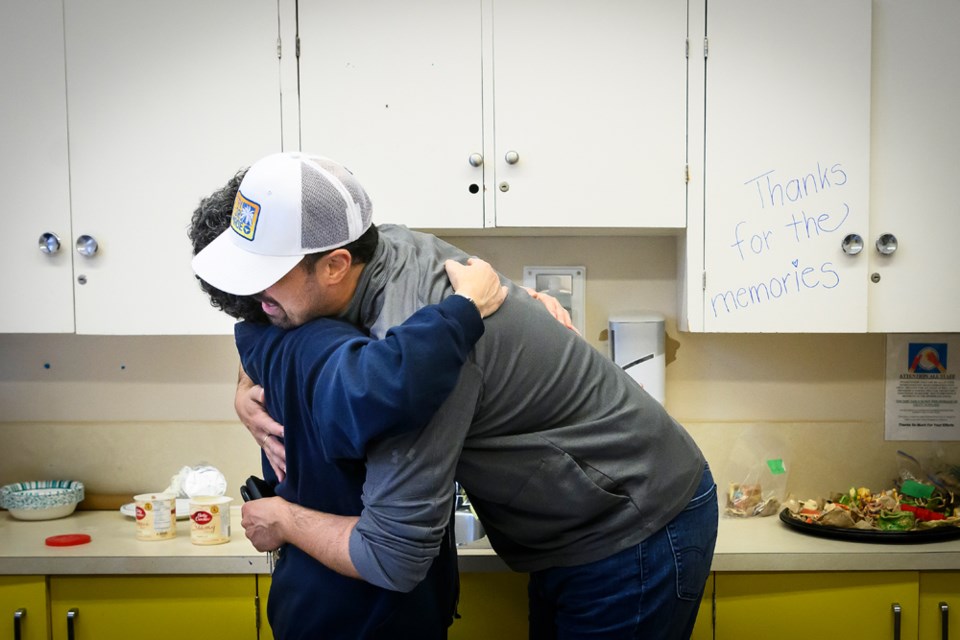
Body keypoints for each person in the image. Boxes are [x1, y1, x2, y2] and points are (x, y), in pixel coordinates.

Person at [192, 152, 718, 639]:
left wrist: (284, 519)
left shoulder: (422, 354)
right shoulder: (371, 254)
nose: (253, 296)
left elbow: (392, 556)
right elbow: (278, 319)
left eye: (265, 275)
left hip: (637, 524)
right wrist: (244, 385)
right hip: (578, 526)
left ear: (334, 265)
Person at [189, 169, 509, 639]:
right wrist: (466, 308)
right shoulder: (318, 340)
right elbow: (387, 384)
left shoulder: (259, 336)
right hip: (369, 615)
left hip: (307, 601)